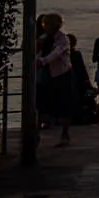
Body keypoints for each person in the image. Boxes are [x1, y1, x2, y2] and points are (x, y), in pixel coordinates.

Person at [34, 13, 75, 146]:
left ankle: (65, 134)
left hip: (61, 74)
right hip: (46, 75)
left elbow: (56, 52)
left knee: (64, 105)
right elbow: (37, 50)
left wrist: (43, 61)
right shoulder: (43, 38)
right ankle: (36, 132)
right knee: (40, 104)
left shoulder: (63, 39)